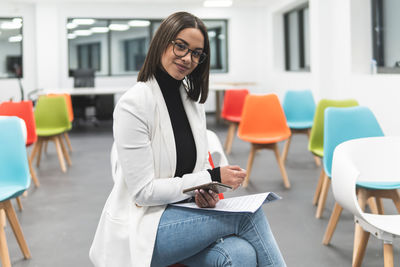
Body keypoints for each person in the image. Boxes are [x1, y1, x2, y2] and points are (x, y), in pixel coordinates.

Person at [89, 11, 286, 267]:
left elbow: (194, 169)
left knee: (241, 254)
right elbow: (143, 192)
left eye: (196, 53)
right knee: (249, 216)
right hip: (146, 225)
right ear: (163, 41)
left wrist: (205, 191)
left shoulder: (192, 102)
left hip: (185, 213)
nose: (187, 58)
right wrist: (211, 177)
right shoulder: (134, 104)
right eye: (180, 46)